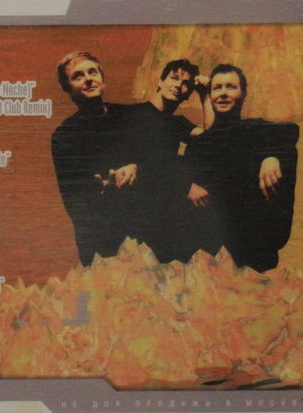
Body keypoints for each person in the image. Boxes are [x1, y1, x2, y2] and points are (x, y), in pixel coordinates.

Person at [51, 53, 205, 265]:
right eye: (78, 76)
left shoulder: (129, 114)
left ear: (102, 79)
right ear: (68, 88)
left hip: (146, 238)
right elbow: (76, 202)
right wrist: (107, 188)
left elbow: (162, 155)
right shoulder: (64, 135)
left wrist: (137, 167)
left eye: (92, 72)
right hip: (104, 247)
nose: (88, 79)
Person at [187, 64, 299, 271]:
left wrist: (273, 156)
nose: (223, 93)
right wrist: (187, 186)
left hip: (253, 249)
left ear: (243, 94)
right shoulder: (199, 143)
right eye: (217, 88)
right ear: (210, 96)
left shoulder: (255, 128)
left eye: (231, 87)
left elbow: (290, 130)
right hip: (211, 252)